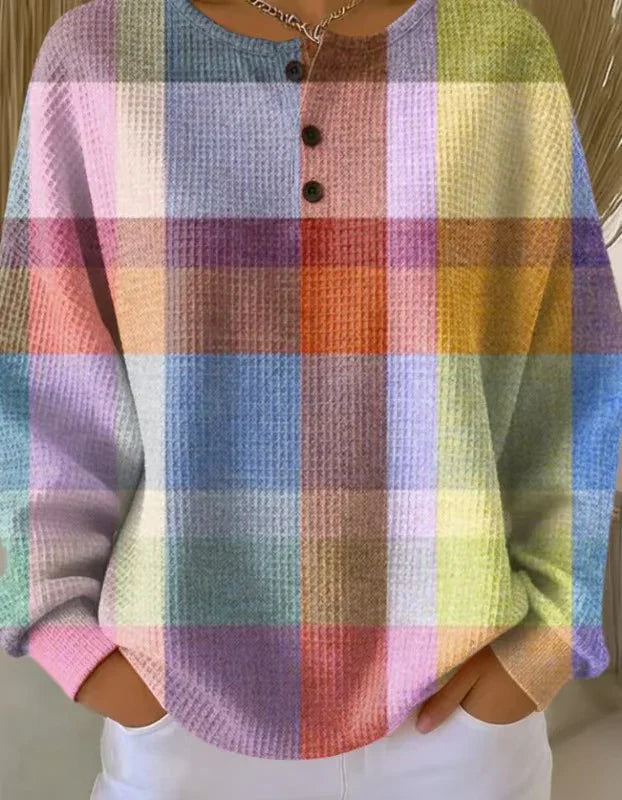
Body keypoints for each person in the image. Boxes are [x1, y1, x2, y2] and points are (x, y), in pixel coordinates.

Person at [0, 0, 621, 797]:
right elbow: (48, 376)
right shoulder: (101, 53)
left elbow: (568, 369)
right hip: (178, 707)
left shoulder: (498, 51)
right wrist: (69, 639)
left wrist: (542, 647)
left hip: (460, 708)